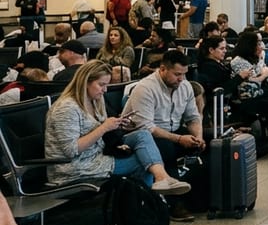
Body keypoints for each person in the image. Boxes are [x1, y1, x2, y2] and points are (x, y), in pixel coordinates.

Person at [44, 60, 191, 194]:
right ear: (85, 82)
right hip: (76, 168)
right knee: (143, 162)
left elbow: (98, 133)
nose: (105, 90)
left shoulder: (94, 100)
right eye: (101, 84)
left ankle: (161, 179)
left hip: (96, 156)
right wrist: (104, 128)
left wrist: (116, 126)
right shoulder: (66, 109)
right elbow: (71, 150)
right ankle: (148, 204)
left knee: (143, 134)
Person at [122, 50, 205, 222]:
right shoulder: (145, 89)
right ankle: (174, 204)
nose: (181, 79)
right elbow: (146, 127)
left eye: (183, 74)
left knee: (210, 143)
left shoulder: (185, 86)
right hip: (141, 137)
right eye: (177, 74)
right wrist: (179, 139)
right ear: (162, 69)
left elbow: (193, 117)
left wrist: (198, 136)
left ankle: (200, 199)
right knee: (167, 148)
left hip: (171, 130)